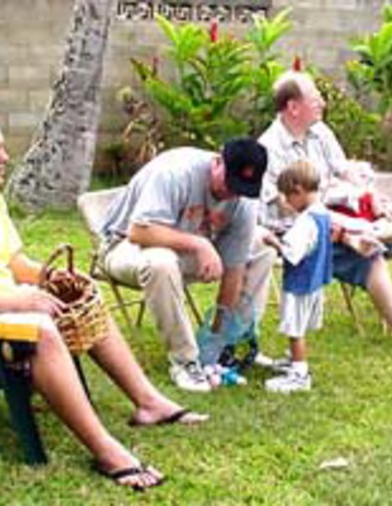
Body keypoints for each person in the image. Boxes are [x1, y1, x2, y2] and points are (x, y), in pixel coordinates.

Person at [0, 111, 208, 493]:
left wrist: (52, 279)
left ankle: (148, 401)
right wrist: (19, 299)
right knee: (42, 330)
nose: (5, 157)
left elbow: (14, 263)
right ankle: (106, 450)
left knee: (82, 298)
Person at [258, 70, 392, 365]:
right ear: (293, 107)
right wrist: (342, 224)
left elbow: (346, 170)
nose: (322, 103)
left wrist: (371, 196)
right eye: (315, 98)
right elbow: (288, 208)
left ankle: (371, 233)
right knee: (372, 255)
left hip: (339, 214)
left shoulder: (320, 132)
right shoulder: (270, 148)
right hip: (305, 229)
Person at [97, 138, 277, 392]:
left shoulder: (244, 198)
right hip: (125, 246)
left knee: (261, 246)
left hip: (184, 248)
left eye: (241, 187)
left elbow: (234, 268)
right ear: (217, 161)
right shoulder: (175, 172)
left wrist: (217, 335)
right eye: (230, 183)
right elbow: (138, 232)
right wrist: (199, 245)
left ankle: (230, 344)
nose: (233, 193)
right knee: (161, 261)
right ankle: (185, 362)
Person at [262, 161, 331, 393]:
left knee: (295, 329)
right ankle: (294, 361)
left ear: (298, 189)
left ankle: (299, 373)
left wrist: (273, 241)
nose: (287, 204)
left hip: (300, 284)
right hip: (315, 281)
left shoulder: (306, 221)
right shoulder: (322, 213)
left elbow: (292, 254)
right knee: (298, 326)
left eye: (288, 197)